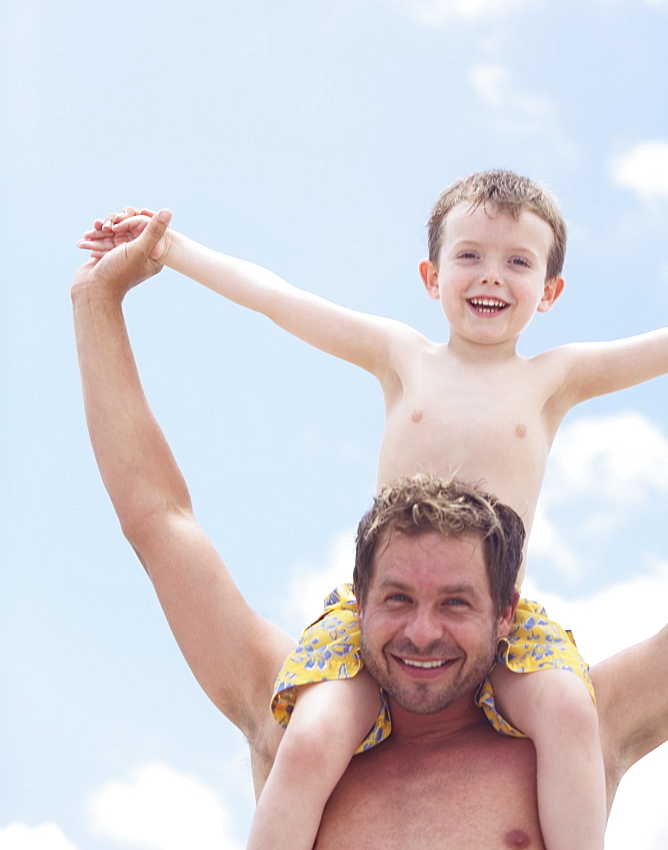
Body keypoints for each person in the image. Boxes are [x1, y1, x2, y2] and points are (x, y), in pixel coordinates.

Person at [77, 172, 668, 850]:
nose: (491, 277)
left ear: (551, 290)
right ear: (430, 275)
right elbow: (279, 300)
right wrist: (171, 248)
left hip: (508, 622)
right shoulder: (401, 356)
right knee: (307, 739)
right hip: (361, 624)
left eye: (518, 262)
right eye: (469, 255)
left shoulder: (556, 377)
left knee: (569, 710)